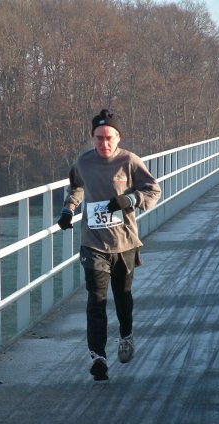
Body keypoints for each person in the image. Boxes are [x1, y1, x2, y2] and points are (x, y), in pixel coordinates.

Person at [57, 109, 161, 381]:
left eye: (109, 138)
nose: (104, 143)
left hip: (124, 242)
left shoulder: (129, 161)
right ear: (93, 138)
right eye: (99, 138)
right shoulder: (84, 162)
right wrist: (68, 210)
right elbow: (76, 187)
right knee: (96, 299)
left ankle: (126, 335)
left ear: (118, 138)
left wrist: (130, 200)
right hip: (93, 243)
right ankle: (98, 357)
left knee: (122, 297)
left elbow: (153, 190)